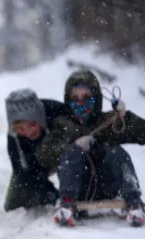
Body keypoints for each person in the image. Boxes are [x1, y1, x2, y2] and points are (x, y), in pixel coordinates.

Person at [33, 69, 145, 227]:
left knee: (117, 151)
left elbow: (141, 132)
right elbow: (43, 156)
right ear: (68, 100)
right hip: (77, 189)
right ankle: (66, 206)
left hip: (107, 184)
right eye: (75, 98)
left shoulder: (108, 121)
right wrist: (73, 146)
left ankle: (134, 203)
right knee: (72, 153)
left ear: (96, 98)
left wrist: (124, 117)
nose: (80, 103)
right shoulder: (62, 125)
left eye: (86, 98)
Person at [4, 89, 69, 211]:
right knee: (13, 204)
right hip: (36, 163)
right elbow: (23, 172)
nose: (28, 133)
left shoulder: (59, 113)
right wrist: (51, 195)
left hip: (66, 155)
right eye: (20, 129)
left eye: (32, 125)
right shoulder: (14, 138)